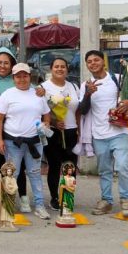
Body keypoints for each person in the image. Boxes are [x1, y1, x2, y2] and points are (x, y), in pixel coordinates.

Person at [78, 50, 128, 217]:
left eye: (96, 60)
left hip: (119, 131)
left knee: (122, 166)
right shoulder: (86, 85)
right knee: (104, 169)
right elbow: (82, 110)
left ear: (103, 62)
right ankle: (106, 200)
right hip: (98, 134)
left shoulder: (117, 79)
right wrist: (87, 94)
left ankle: (126, 200)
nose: (93, 63)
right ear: (87, 65)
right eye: (89, 61)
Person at [0, 63, 52, 220]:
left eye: (25, 75)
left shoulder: (37, 94)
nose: (22, 79)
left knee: (35, 173)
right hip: (13, 142)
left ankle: (39, 205)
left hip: (35, 141)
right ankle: (8, 205)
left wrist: (45, 125)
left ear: (29, 76)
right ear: (13, 78)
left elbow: (47, 114)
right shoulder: (7, 95)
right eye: (18, 76)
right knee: (12, 173)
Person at [0, 47, 30, 212]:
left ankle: (23, 197)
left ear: (12, 64)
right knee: (2, 166)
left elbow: (34, 97)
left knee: (20, 167)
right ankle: (4, 197)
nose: (2, 66)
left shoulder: (20, 80)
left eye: (6, 63)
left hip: (18, 134)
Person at [41, 57, 80, 211]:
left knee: (70, 166)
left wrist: (79, 130)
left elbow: (78, 111)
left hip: (71, 131)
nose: (59, 69)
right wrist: (54, 121)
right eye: (56, 66)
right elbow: (41, 111)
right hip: (53, 132)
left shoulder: (73, 87)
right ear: (51, 69)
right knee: (55, 166)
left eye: (63, 66)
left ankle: (68, 197)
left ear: (67, 69)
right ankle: (54, 198)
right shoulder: (43, 88)